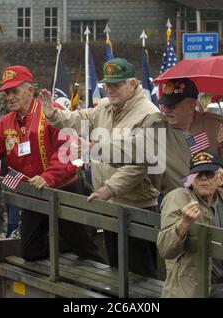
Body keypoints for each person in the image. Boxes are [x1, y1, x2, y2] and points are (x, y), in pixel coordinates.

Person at [41, 57, 162, 278]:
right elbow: (81, 118)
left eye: (117, 84)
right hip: (109, 204)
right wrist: (54, 115)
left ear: (133, 84)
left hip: (137, 206)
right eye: (107, 84)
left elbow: (141, 165)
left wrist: (109, 189)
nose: (110, 90)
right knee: (116, 272)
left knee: (141, 277)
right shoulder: (106, 107)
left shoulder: (149, 114)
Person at [0, 65, 102, 263]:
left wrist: (47, 178)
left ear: (30, 91)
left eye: (14, 91)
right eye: (6, 92)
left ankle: (102, 286)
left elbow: (67, 151)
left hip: (64, 190)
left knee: (86, 250)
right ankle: (68, 245)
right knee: (29, 251)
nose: (9, 97)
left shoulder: (52, 112)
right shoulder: (5, 121)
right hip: (32, 194)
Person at [158, 151, 223, 298]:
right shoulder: (177, 198)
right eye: (197, 174)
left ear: (221, 178)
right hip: (194, 287)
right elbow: (165, 250)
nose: (202, 179)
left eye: (208, 174)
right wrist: (183, 224)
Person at [157, 78, 223, 195]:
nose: (166, 110)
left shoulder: (217, 126)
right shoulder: (158, 127)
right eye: (165, 105)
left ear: (192, 104)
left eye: (173, 106)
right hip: (177, 200)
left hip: (215, 199)